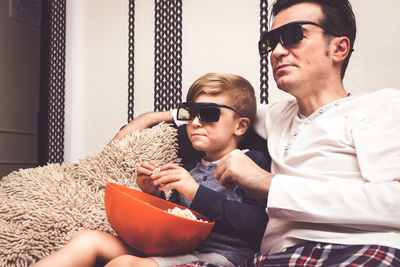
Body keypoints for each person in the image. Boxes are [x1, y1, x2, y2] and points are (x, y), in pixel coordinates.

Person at [110, 0, 400, 266]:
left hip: (355, 248)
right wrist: (147, 119)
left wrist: (267, 184)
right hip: (273, 258)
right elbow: (212, 109)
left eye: (294, 35)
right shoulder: (275, 115)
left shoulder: (379, 106)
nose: (277, 51)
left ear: (339, 48)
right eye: (271, 42)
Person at [32, 73, 269, 267]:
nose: (195, 122)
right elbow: (177, 222)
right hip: (179, 248)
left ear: (240, 126)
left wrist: (196, 192)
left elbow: (256, 225)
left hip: (222, 256)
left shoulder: (251, 162)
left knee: (125, 265)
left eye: (209, 113)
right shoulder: (189, 169)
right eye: (190, 112)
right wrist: (153, 195)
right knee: (86, 239)